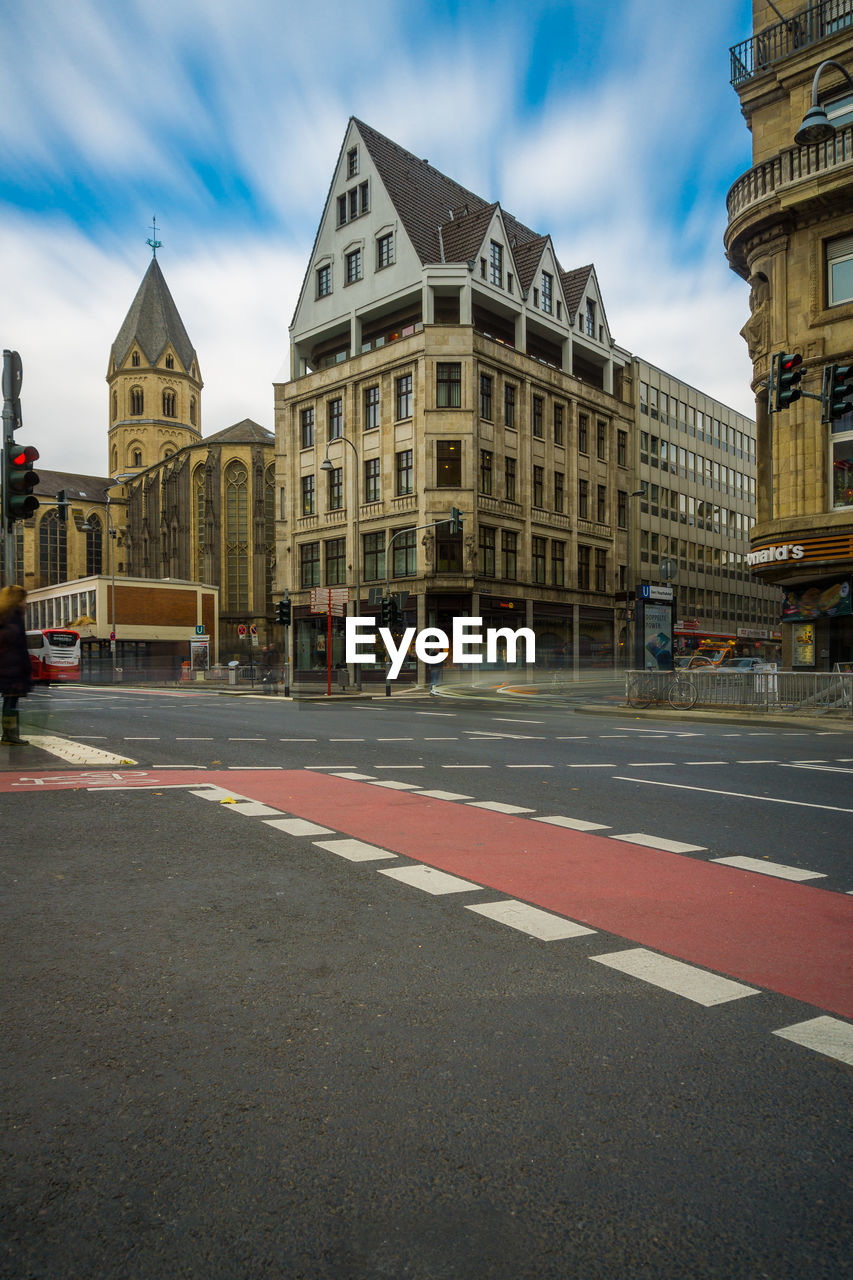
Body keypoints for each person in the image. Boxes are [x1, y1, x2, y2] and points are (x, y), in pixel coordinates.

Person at [0, 584, 32, 745]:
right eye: (24, 600)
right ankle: (9, 735)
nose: (26, 604)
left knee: (10, 701)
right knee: (11, 702)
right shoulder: (13, 619)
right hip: (11, 670)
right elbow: (16, 647)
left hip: (7, 669)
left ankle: (9, 734)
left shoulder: (5, 616)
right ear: (17, 601)